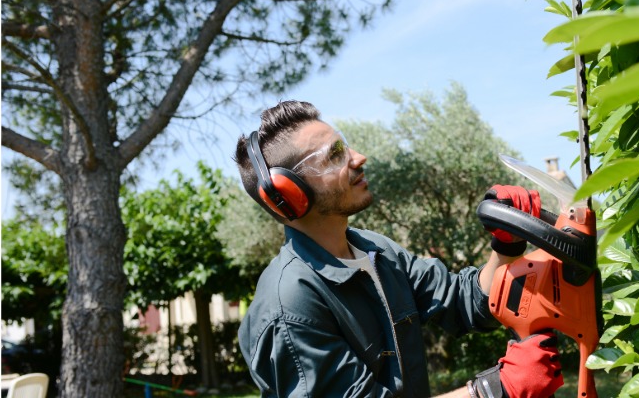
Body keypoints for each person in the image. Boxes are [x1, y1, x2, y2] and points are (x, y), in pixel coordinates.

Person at [234, 100, 563, 397]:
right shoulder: (290, 305)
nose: (358, 158)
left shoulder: (376, 252)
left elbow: (463, 302)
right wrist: (492, 390)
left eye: (344, 146)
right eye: (334, 155)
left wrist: (506, 244)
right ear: (288, 194)